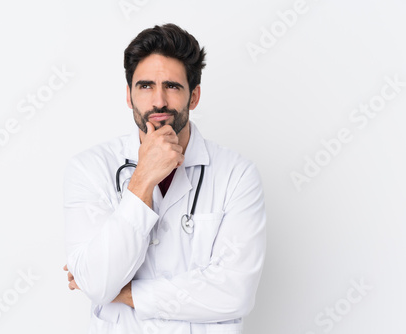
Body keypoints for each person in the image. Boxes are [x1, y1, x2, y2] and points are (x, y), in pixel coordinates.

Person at [63, 23, 266, 333]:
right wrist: (142, 179)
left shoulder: (236, 174)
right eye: (145, 86)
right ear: (129, 96)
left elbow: (235, 292)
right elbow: (95, 282)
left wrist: (126, 294)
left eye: (172, 86)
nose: (158, 101)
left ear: (194, 96)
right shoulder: (90, 168)